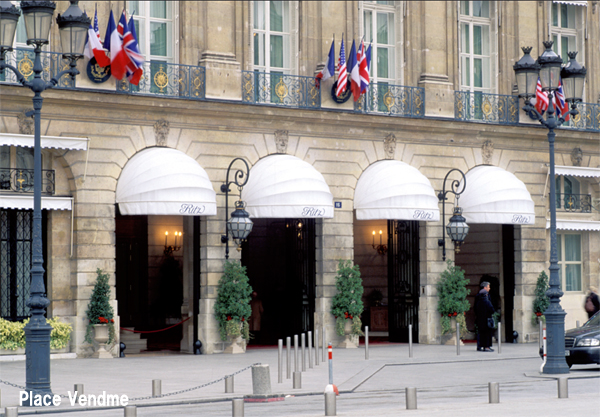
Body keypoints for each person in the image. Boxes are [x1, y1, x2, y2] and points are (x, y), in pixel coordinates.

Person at [474, 281, 495, 352]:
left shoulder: (478, 296)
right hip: (487, 318)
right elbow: (491, 309)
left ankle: (479, 346)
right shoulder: (486, 298)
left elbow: (475, 307)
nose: (489, 288)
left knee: (480, 332)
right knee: (487, 333)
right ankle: (487, 347)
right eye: (488, 287)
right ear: (485, 288)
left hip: (480, 318)